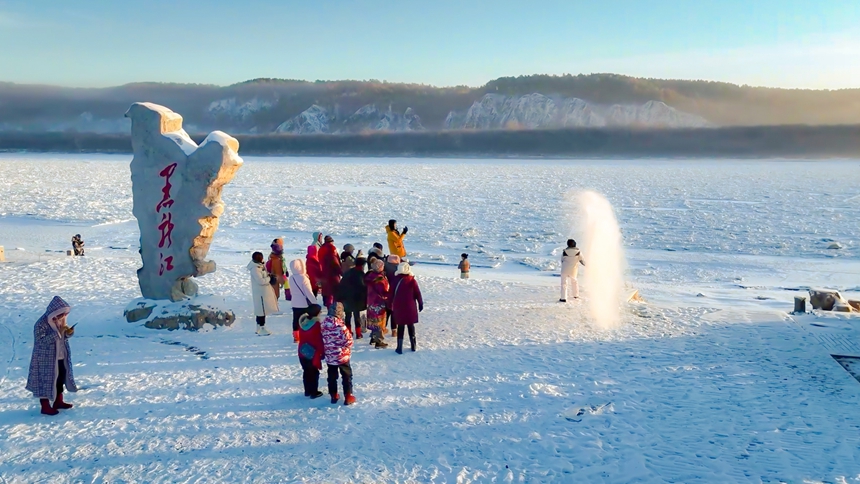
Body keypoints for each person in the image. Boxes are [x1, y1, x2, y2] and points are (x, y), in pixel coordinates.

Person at [26, 296, 77, 415]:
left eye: (64, 314)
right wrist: (58, 333)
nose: (63, 316)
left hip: (60, 356)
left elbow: (62, 337)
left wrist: (68, 333)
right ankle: (45, 406)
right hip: (45, 359)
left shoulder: (60, 321)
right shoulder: (41, 324)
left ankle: (58, 401)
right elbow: (40, 341)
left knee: (60, 378)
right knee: (45, 381)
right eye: (61, 314)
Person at [321, 303, 355, 405]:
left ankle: (334, 395)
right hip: (342, 356)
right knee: (346, 375)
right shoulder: (341, 326)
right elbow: (349, 341)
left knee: (332, 376)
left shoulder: (323, 325)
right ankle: (348, 396)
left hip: (330, 356)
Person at [391, 263, 424, 354]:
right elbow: (417, 293)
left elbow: (391, 294)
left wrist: (390, 304)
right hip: (410, 306)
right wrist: (420, 303)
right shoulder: (412, 280)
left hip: (398, 306)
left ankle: (399, 347)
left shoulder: (395, 280)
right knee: (410, 326)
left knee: (400, 327)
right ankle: (413, 346)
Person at [247, 252, 278, 336]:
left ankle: (259, 327)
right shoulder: (255, 269)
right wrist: (269, 278)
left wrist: (269, 275)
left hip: (263, 292)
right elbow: (260, 281)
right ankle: (262, 327)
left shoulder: (260, 266)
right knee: (261, 310)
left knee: (262, 310)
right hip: (260, 293)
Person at [297, 304, 325, 399]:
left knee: (306, 371)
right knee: (314, 372)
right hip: (312, 353)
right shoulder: (316, 325)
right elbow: (318, 340)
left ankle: (307, 390)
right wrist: (322, 352)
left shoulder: (302, 322)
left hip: (302, 351)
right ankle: (314, 392)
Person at [289, 259, 318, 343]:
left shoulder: (291, 278)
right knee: (306, 320)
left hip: (295, 302)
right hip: (304, 303)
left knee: (296, 319)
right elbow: (308, 292)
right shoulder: (303, 278)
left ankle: (296, 336)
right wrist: (314, 302)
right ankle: (306, 335)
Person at [338, 257, 367, 338]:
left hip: (346, 297)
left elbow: (341, 284)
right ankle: (358, 333)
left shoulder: (348, 272)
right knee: (356, 316)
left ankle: (348, 332)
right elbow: (363, 287)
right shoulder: (361, 274)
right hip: (356, 299)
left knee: (348, 316)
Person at [364, 259, 390, 348]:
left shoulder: (370, 275)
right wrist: (390, 295)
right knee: (379, 321)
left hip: (371, 301)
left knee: (373, 320)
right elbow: (383, 292)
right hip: (378, 302)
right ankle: (379, 341)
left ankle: (373, 337)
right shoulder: (380, 279)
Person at [318, 236, 342, 307]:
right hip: (333, 274)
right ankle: (333, 307)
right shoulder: (332, 250)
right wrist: (341, 272)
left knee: (328, 291)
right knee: (334, 291)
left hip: (324, 272)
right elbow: (335, 263)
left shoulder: (321, 248)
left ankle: (329, 305)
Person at [384, 254, 401, 337]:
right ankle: (394, 330)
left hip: (386, 292)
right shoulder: (398, 270)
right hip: (395, 293)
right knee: (393, 311)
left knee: (386, 312)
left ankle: (383, 328)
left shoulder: (385, 267)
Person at [306, 232, 324, 297]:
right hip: (317, 262)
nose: (321, 238)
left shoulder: (319, 244)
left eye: (321, 236)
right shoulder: (315, 245)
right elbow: (315, 255)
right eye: (320, 236)